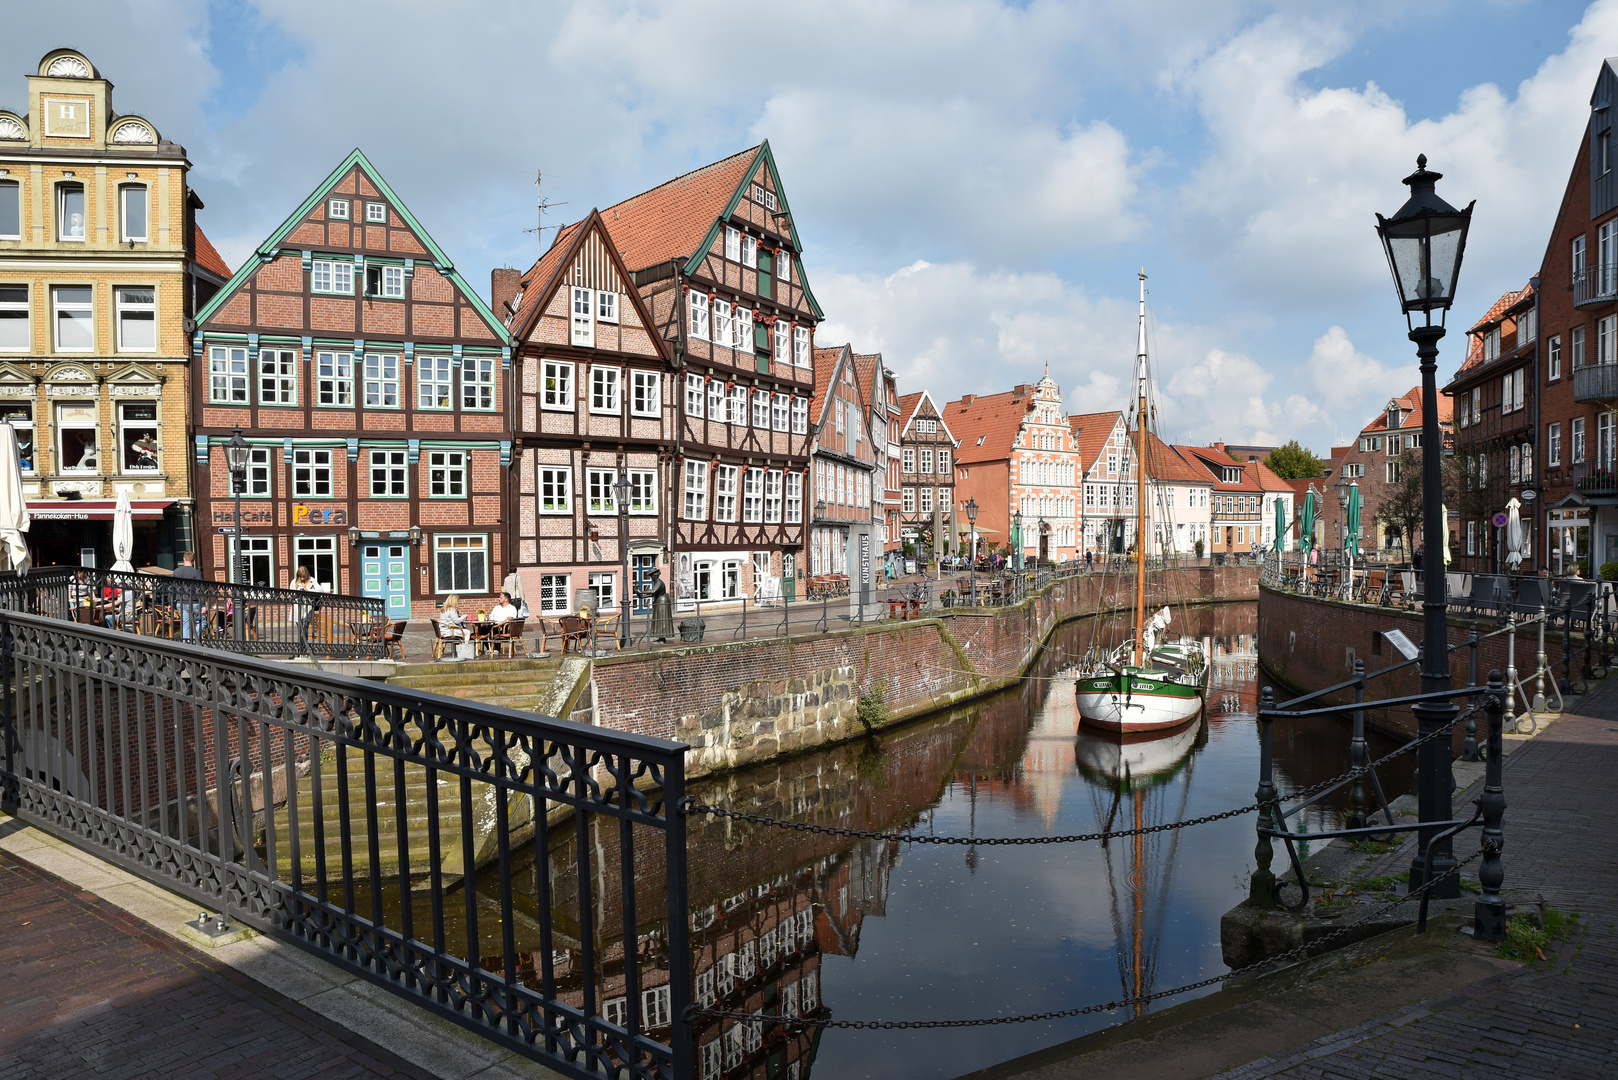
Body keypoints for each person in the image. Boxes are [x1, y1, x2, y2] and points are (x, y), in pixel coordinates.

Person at [172, 551, 204, 642]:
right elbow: (200, 589)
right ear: (193, 560)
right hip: (194, 602)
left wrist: (171, 602)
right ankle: (194, 639)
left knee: (185, 624)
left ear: (184, 559)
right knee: (202, 622)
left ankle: (186, 644)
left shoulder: (176, 572)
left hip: (180, 601)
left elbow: (172, 588)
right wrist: (203, 604)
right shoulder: (196, 573)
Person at [289, 565, 321, 657]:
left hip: (307, 609)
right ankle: (302, 650)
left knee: (305, 629)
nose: (302, 579)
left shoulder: (312, 580)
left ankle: (304, 650)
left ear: (307, 575)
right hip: (297, 609)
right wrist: (298, 591)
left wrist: (309, 591)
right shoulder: (293, 582)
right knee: (300, 630)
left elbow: (320, 589)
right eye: (301, 577)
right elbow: (290, 595)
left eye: (304, 577)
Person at [644, 568, 675, 642]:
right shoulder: (657, 583)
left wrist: (641, 591)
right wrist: (642, 595)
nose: (651, 578)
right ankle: (661, 637)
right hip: (659, 602)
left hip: (662, 603)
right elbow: (653, 594)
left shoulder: (659, 583)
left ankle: (662, 638)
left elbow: (653, 591)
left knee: (662, 620)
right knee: (659, 620)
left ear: (655, 576)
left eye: (651, 576)